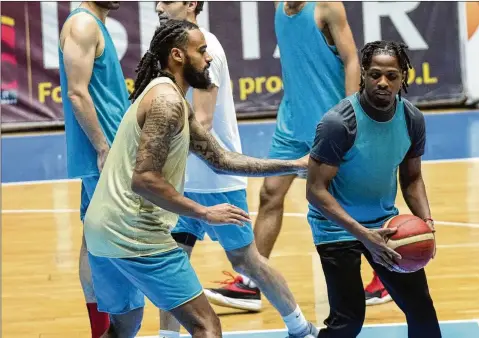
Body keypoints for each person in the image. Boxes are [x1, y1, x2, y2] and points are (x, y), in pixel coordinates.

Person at [83, 19, 316, 338]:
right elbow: (145, 179)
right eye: (202, 51)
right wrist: (204, 212)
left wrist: (292, 165)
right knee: (205, 325)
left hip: (101, 231)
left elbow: (222, 160)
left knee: (123, 328)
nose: (209, 58)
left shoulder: (171, 99)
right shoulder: (166, 103)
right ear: (178, 55)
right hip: (133, 232)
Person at [207, 1, 388, 310]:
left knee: (349, 201)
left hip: (330, 119)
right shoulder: (280, 7)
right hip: (291, 122)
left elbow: (351, 60)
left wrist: (349, 114)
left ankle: (384, 278)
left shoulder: (327, 7)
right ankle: (252, 281)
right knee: (270, 194)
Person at [153, 3, 318, 338]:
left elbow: (202, 120)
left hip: (216, 180)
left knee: (247, 261)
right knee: (171, 264)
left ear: (189, 3)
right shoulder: (167, 48)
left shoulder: (205, 49)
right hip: (183, 181)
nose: (157, 6)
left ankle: (301, 328)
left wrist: (154, 152)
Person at [305, 40, 441, 337]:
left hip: (385, 226)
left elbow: (412, 178)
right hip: (336, 228)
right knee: (349, 320)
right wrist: (363, 235)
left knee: (421, 310)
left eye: (391, 76)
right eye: (375, 74)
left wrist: (427, 223)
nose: (383, 82)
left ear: (403, 77)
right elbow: (315, 190)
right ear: (363, 74)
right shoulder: (338, 123)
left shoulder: (411, 119)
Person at [58, 2, 127, 337]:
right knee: (110, 244)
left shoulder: (94, 24)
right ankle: (111, 329)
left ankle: (102, 331)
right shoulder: (83, 25)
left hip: (113, 152)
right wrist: (103, 146)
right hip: (107, 155)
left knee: (95, 240)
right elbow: (76, 93)